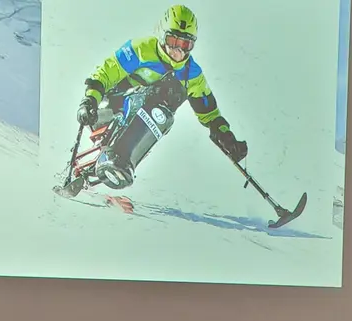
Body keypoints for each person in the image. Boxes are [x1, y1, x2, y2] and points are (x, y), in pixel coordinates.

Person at [57, 4, 247, 196]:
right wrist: (89, 100)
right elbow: (106, 72)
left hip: (142, 121)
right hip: (108, 108)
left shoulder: (192, 74)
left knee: (171, 98)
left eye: (185, 45)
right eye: (173, 41)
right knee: (163, 90)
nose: (177, 51)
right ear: (162, 35)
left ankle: (121, 163)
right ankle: (118, 157)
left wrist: (226, 136)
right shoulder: (141, 49)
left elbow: (209, 113)